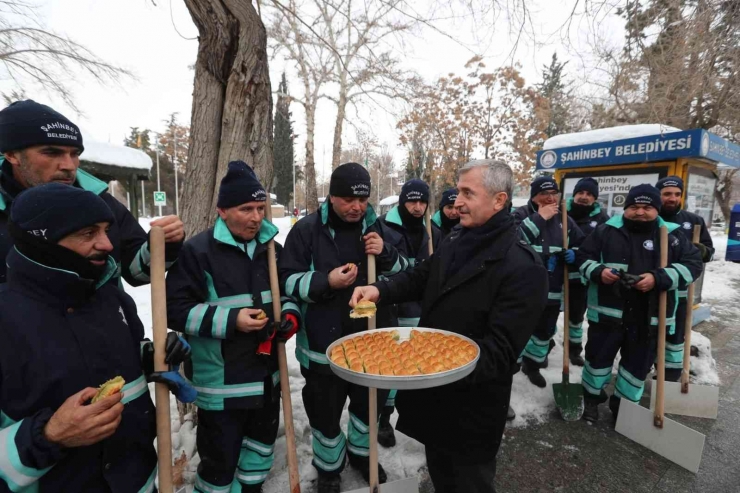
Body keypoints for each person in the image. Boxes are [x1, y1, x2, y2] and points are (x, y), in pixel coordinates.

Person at [350, 159, 548, 493]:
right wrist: (380, 289)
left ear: (499, 201)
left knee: (469, 483)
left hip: (472, 409)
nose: (456, 202)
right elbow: (422, 276)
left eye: (468, 193)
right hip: (437, 402)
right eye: (458, 192)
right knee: (442, 473)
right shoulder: (458, 238)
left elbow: (499, 353)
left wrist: (427, 364)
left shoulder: (522, 266)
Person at [0, 183, 194, 493]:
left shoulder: (112, 299)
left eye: (106, 230)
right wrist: (49, 435)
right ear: (42, 241)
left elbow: (111, 358)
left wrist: (150, 355)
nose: (106, 244)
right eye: (88, 233)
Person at [166, 161, 301, 493]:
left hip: (267, 379)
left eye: (260, 208)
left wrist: (289, 316)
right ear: (222, 210)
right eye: (246, 209)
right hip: (222, 386)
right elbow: (174, 310)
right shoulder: (197, 252)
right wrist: (232, 320)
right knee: (219, 462)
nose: (256, 217)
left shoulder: (272, 248)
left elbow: (287, 291)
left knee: (259, 452)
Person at [278, 162, 408, 493]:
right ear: (332, 197)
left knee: (368, 408)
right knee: (324, 413)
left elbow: (408, 274)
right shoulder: (306, 231)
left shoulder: (376, 229)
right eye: (349, 199)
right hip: (323, 345)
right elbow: (286, 280)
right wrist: (327, 281)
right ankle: (329, 467)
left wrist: (387, 254)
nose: (357, 207)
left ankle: (363, 455)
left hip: (370, 342)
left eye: (363, 200)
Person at [0, 100, 184, 286]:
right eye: (51, 153)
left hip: (108, 315)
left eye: (74, 154)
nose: (69, 166)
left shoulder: (100, 201)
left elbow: (138, 273)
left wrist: (163, 245)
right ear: (12, 155)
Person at [575, 184, 702, 422]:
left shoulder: (672, 235)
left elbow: (693, 265)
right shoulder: (605, 231)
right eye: (634, 207)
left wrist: (658, 278)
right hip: (608, 313)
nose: (640, 212)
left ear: (656, 209)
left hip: (649, 316)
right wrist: (599, 272)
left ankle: (624, 408)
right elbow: (583, 257)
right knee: (597, 360)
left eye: (646, 207)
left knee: (637, 365)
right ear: (626, 208)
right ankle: (591, 400)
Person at [377, 179, 441, 448]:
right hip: (390, 308)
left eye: (422, 202)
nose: (417, 207)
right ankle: (384, 418)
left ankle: (416, 414)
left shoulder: (432, 231)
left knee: (415, 365)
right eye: (412, 201)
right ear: (402, 201)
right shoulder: (383, 227)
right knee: (391, 367)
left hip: (419, 308)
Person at [513, 176, 584, 388]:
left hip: (552, 288)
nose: (550, 198)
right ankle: (511, 367)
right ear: (534, 196)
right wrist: (539, 218)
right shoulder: (520, 215)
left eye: (554, 193)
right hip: (523, 289)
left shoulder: (565, 219)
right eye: (545, 194)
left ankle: (532, 365)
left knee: (544, 331)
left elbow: (583, 245)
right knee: (519, 329)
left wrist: (574, 254)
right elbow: (513, 240)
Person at [656, 175, 714, 381]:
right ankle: (648, 366)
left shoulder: (693, 221)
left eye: (677, 194)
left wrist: (702, 250)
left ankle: (669, 377)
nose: (672, 198)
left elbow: (710, 251)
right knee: (652, 333)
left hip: (681, 293)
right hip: (654, 289)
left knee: (676, 336)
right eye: (667, 194)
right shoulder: (650, 218)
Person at [566, 177, 610, 366]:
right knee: (547, 313)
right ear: (574, 194)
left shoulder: (602, 219)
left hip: (581, 277)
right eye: (581, 193)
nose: (584, 197)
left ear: (595, 198)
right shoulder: (560, 212)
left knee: (576, 315)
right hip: (554, 273)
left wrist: (578, 254)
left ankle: (573, 350)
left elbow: (604, 247)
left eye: (589, 194)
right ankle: (543, 345)